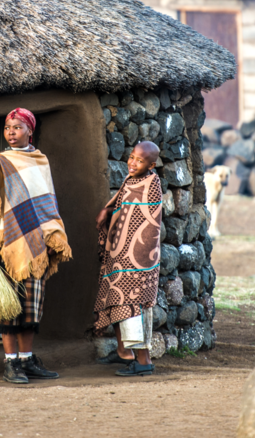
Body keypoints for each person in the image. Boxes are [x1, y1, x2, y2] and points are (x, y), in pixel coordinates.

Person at [0, 108, 72, 384]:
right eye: (7, 128)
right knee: (8, 306)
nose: (11, 133)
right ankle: (10, 364)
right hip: (8, 245)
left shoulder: (41, 161)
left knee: (31, 309)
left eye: (17, 127)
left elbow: (47, 204)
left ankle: (27, 360)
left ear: (30, 130)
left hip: (36, 246)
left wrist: (54, 238)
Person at [93, 141, 163, 376]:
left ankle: (143, 362)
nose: (132, 163)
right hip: (120, 253)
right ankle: (125, 353)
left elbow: (146, 221)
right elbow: (122, 205)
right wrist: (108, 210)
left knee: (132, 304)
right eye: (132, 157)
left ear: (151, 165)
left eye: (140, 160)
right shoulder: (131, 180)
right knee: (116, 298)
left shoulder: (152, 184)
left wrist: (134, 259)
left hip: (138, 259)